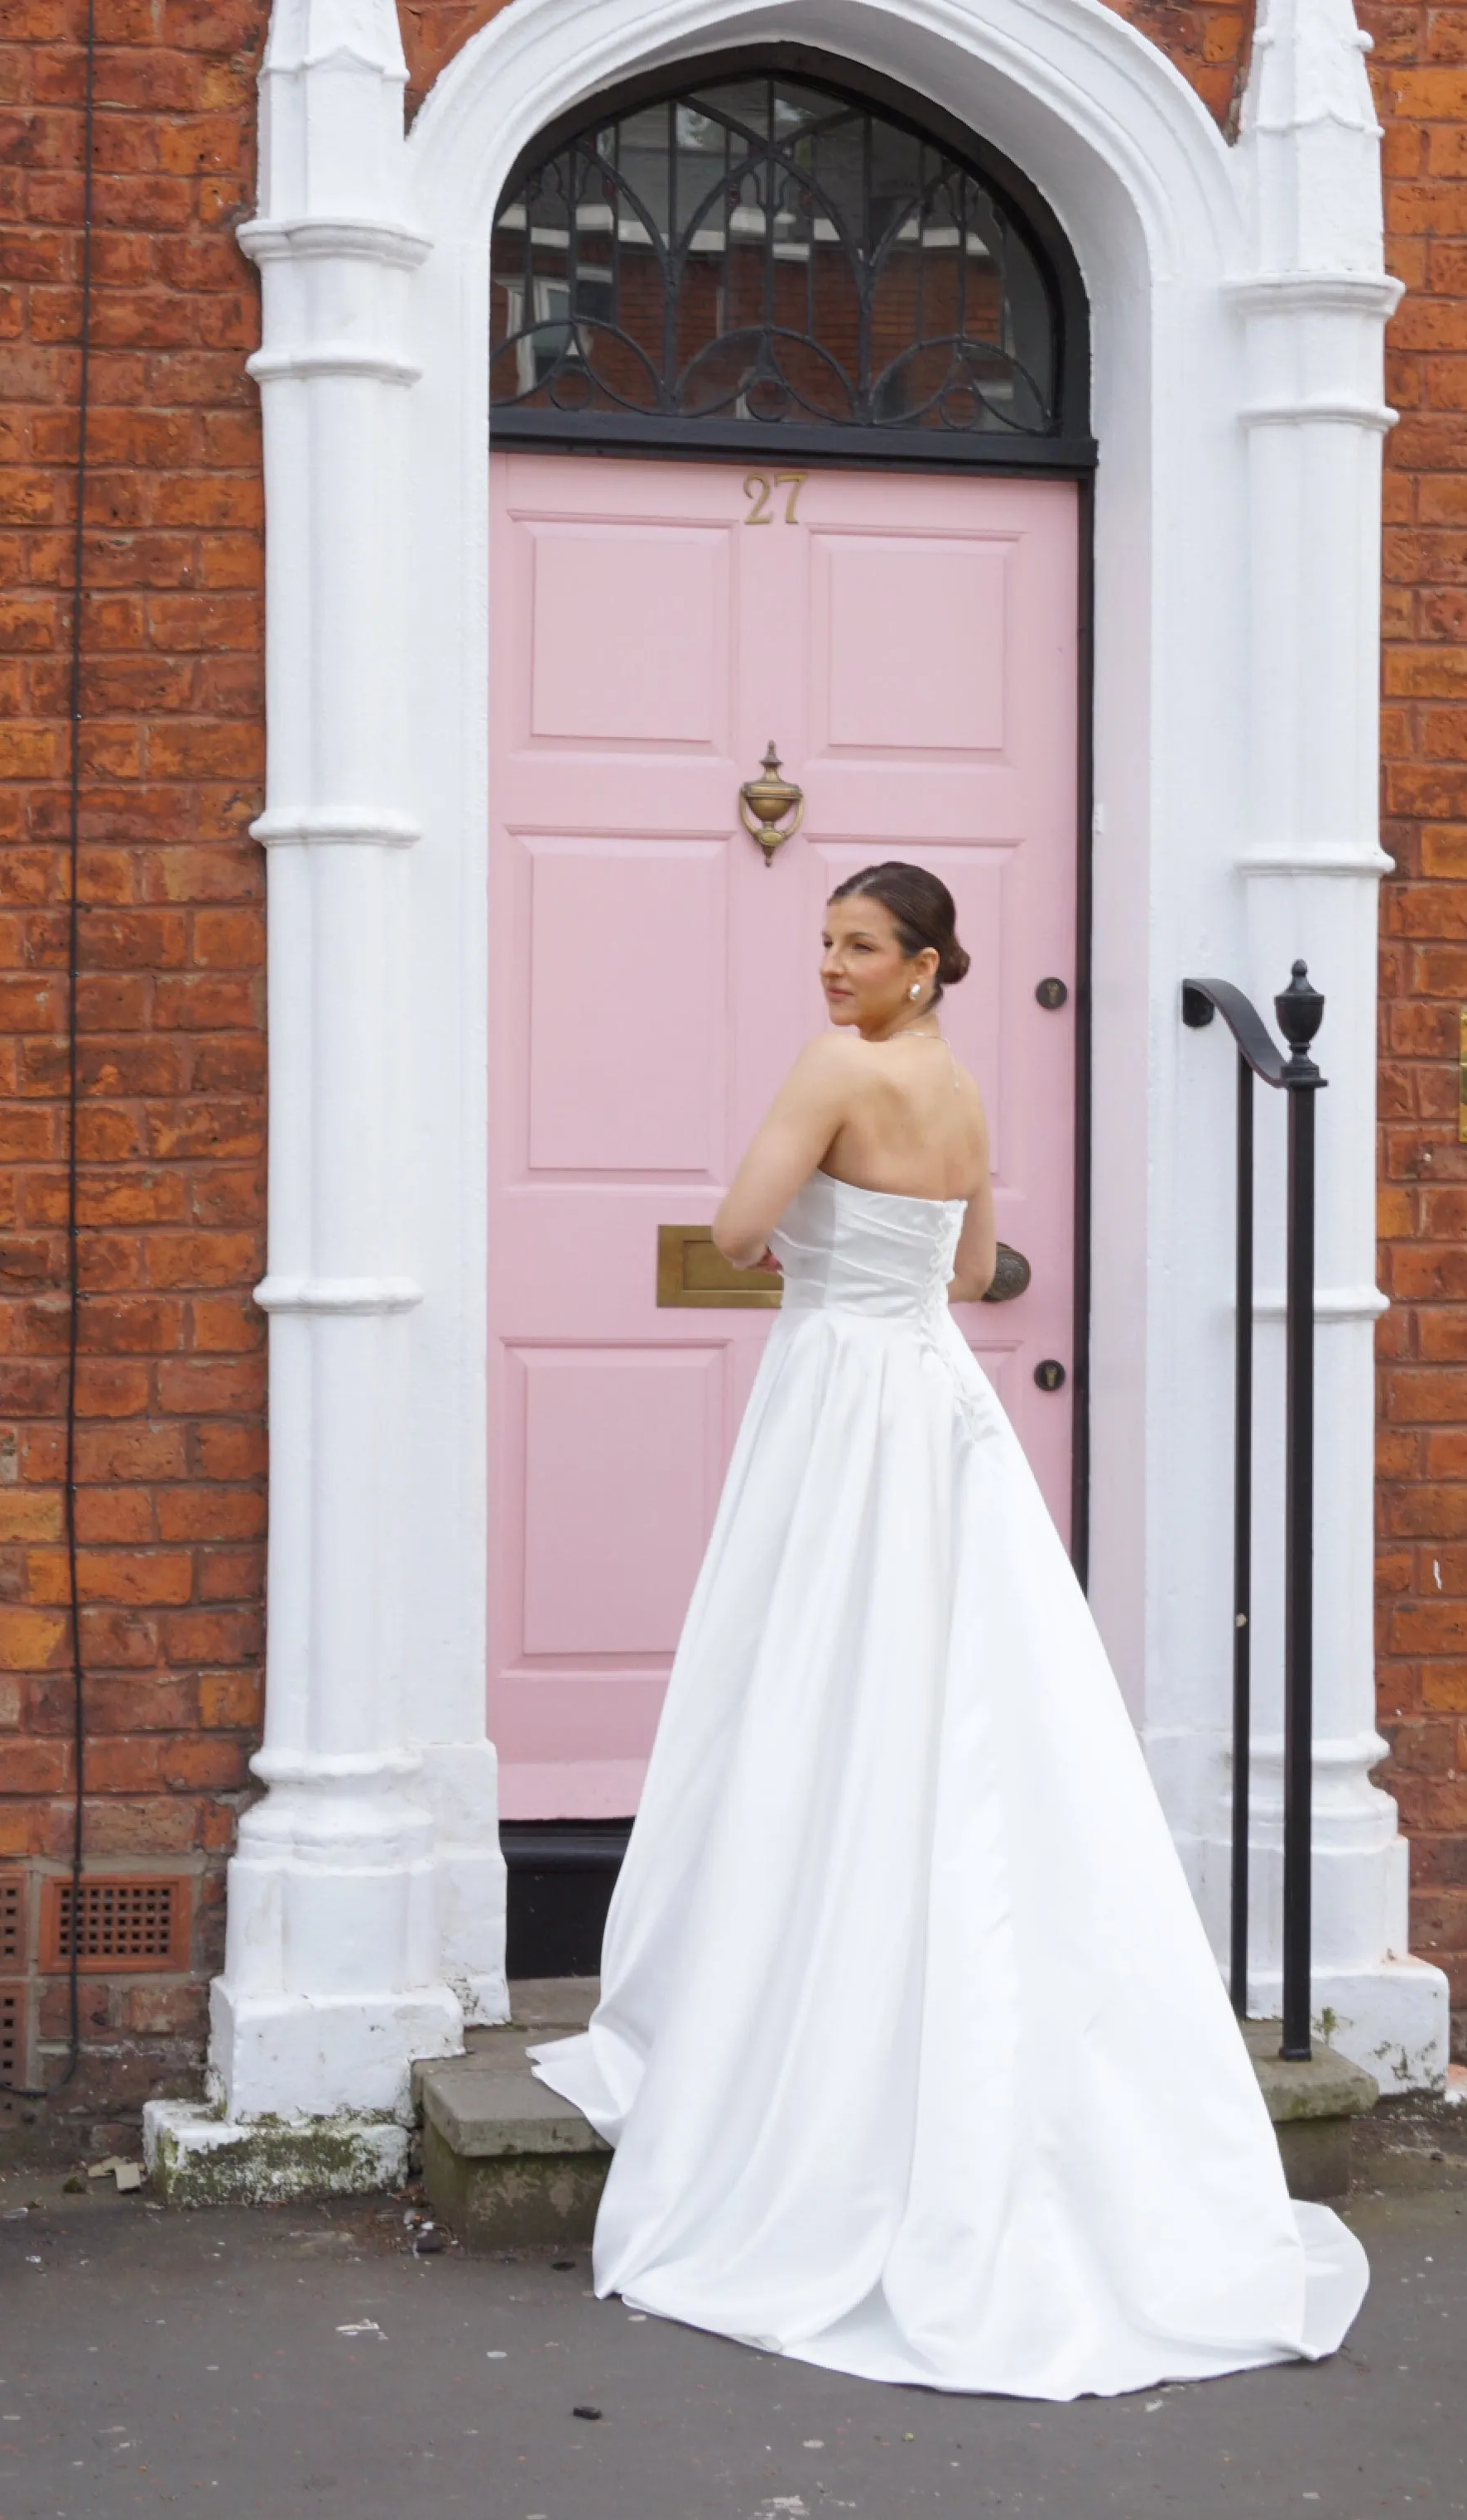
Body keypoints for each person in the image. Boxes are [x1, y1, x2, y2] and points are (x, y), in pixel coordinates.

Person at [530, 862, 1368, 2398]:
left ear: (923, 963)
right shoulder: (962, 1089)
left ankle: (788, 2020)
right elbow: (977, 1272)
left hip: (839, 1400)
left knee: (809, 1685)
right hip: (938, 1403)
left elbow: (731, 1227)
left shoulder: (837, 1070)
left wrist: (785, 1251)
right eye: (825, 943)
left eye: (859, 945)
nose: (831, 967)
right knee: (961, 1692)